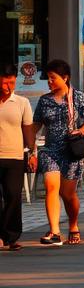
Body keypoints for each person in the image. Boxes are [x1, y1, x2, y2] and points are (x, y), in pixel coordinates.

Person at [33, 58, 84, 246]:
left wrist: (83, 129)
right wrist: (29, 146)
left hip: (72, 151)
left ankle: (74, 225)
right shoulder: (44, 101)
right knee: (51, 187)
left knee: (68, 195)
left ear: (65, 78)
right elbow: (36, 124)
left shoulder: (78, 97)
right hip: (51, 150)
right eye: (48, 78)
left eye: (53, 78)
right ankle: (54, 232)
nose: (50, 82)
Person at [0, 63, 36, 250]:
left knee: (13, 195)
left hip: (14, 156)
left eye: (12, 83)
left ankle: (11, 236)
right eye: (5, 83)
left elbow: (28, 130)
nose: (8, 87)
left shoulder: (22, 103)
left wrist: (32, 152)